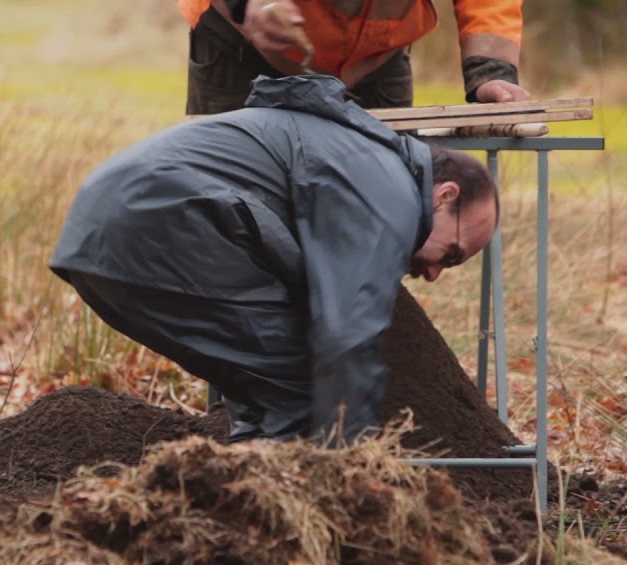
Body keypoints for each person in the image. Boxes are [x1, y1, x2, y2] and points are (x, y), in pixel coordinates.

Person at [50, 74, 498, 444]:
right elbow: (346, 332)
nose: (435, 274)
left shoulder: (358, 158)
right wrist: (352, 459)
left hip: (102, 233)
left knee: (271, 376)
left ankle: (245, 500)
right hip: (159, 225)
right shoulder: (388, 189)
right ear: (444, 196)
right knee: (302, 384)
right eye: (452, 255)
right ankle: (287, 518)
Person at [180, 0, 530, 115]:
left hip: (377, 56)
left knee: (380, 204)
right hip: (248, 48)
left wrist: (491, 70)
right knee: (232, 204)